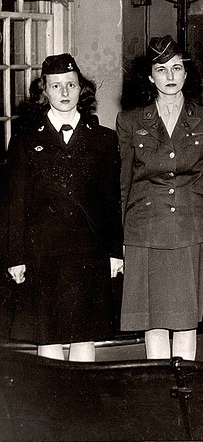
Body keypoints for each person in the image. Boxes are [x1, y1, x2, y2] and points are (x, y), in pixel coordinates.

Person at [6, 54, 122, 361]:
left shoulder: (103, 139)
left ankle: (80, 405)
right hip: (42, 254)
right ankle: (52, 406)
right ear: (44, 91)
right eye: (56, 86)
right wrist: (15, 257)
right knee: (48, 337)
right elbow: (15, 204)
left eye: (71, 84)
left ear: (81, 89)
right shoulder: (25, 142)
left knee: (86, 336)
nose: (65, 92)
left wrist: (114, 252)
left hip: (89, 253)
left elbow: (112, 201)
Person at [117, 35, 203, 360]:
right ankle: (159, 392)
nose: (170, 77)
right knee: (153, 322)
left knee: (187, 322)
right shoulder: (131, 121)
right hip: (145, 231)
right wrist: (120, 237)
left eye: (176, 68)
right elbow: (124, 183)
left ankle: (183, 391)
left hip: (192, 230)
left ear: (186, 74)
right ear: (150, 76)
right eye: (162, 69)